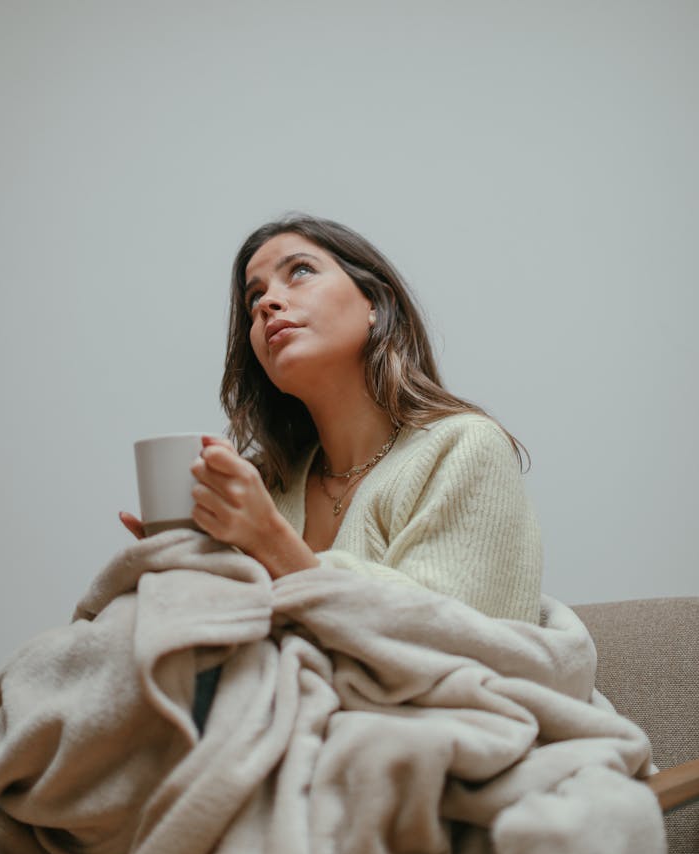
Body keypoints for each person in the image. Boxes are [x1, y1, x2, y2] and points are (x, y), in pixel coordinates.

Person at [121, 213, 542, 626]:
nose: (268, 303)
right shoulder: (266, 489)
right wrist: (189, 565)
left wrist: (269, 541)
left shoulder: (465, 447)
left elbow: (453, 643)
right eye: (254, 299)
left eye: (301, 271)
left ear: (375, 304)